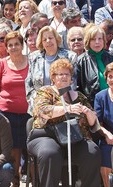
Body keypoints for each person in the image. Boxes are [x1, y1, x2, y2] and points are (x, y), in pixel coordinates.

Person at [27, 59, 101, 187]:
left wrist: (89, 113)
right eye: (59, 74)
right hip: (46, 136)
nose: (63, 77)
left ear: (71, 78)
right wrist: (67, 108)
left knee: (92, 151)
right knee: (50, 153)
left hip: (74, 138)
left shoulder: (79, 96)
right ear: (53, 78)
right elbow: (42, 110)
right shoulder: (45, 92)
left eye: (67, 74)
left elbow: (93, 123)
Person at [0, 31, 29, 186]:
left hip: (28, 113)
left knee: (28, 149)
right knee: (13, 149)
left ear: (22, 45)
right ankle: (15, 180)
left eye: (17, 44)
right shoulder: (1, 64)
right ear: (6, 47)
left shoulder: (31, 61)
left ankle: (30, 178)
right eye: (10, 45)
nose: (14, 47)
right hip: (7, 112)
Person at [25, 26, 77, 112]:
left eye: (50, 38)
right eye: (44, 39)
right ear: (41, 43)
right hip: (39, 108)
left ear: (56, 39)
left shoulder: (70, 56)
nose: (48, 41)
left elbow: (73, 84)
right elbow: (29, 84)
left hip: (64, 107)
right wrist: (37, 102)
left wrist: (58, 104)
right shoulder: (33, 57)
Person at [75, 25, 113, 104]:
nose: (97, 42)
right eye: (93, 39)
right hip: (92, 103)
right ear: (88, 41)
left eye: (100, 39)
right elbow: (78, 88)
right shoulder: (80, 61)